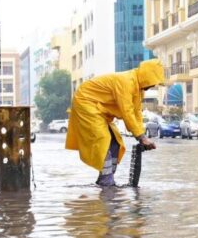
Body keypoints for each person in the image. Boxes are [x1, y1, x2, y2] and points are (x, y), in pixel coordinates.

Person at [65, 59, 164, 187]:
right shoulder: (126, 82)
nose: (152, 86)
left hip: (100, 109)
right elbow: (127, 112)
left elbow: (136, 112)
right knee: (103, 140)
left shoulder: (138, 89)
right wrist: (141, 137)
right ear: (146, 76)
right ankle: (107, 182)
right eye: (152, 82)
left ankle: (105, 180)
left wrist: (142, 136)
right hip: (86, 102)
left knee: (116, 142)